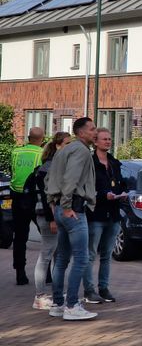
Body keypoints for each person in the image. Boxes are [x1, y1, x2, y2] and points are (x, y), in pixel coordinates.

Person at [45, 117, 98, 321]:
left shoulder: (64, 150)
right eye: (92, 129)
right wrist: (66, 207)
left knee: (62, 259)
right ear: (81, 132)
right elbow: (70, 179)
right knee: (81, 259)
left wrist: (55, 204)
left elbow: (50, 179)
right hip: (73, 210)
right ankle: (72, 305)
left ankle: (58, 304)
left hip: (61, 209)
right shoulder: (81, 150)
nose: (95, 132)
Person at [82, 128, 127, 304]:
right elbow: (87, 187)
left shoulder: (114, 163)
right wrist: (102, 195)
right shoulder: (90, 162)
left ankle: (104, 287)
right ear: (96, 142)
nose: (108, 142)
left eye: (109, 139)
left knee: (107, 255)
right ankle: (89, 290)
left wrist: (122, 192)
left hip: (113, 214)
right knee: (91, 254)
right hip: (96, 214)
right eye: (104, 139)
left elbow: (121, 182)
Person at [27, 131, 70, 310]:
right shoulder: (50, 168)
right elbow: (47, 197)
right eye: (67, 143)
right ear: (58, 146)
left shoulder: (49, 166)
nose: (70, 147)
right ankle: (40, 296)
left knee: (56, 255)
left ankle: (54, 293)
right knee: (46, 254)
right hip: (47, 216)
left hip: (48, 215)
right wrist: (52, 218)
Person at [11, 126, 44, 285]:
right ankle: (48, 273)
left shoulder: (15, 152)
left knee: (20, 237)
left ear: (28, 137)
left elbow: (13, 172)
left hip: (17, 197)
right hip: (35, 198)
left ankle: (20, 273)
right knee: (46, 236)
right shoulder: (42, 153)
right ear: (42, 139)